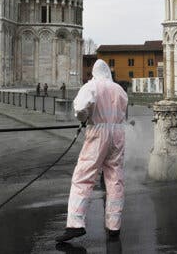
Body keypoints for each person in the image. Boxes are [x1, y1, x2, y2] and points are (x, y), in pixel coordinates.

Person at [56, 59, 128, 242]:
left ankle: (75, 224)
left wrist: (84, 118)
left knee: (83, 176)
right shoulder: (119, 90)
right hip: (118, 133)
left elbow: (80, 108)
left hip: (98, 132)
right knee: (115, 178)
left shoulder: (92, 86)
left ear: (94, 72)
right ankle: (114, 226)